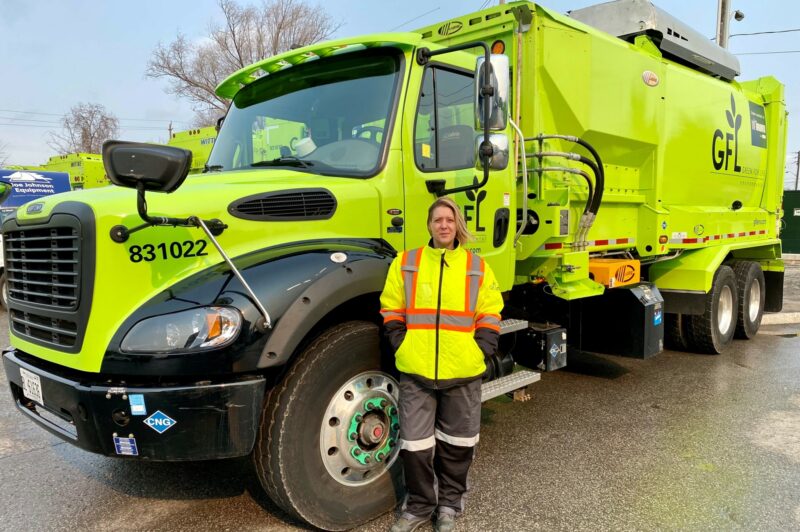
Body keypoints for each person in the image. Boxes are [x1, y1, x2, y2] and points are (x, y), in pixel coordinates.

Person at [380, 196, 503, 532]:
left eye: (449, 220)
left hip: (463, 371)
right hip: (416, 370)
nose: (444, 225)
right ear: (429, 225)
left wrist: (481, 350)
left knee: (457, 445)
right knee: (414, 446)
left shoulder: (477, 267)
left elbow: (490, 311)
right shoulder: (407, 263)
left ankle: (449, 506)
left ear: (457, 224)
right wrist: (401, 343)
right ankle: (419, 507)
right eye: (438, 220)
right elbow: (391, 307)